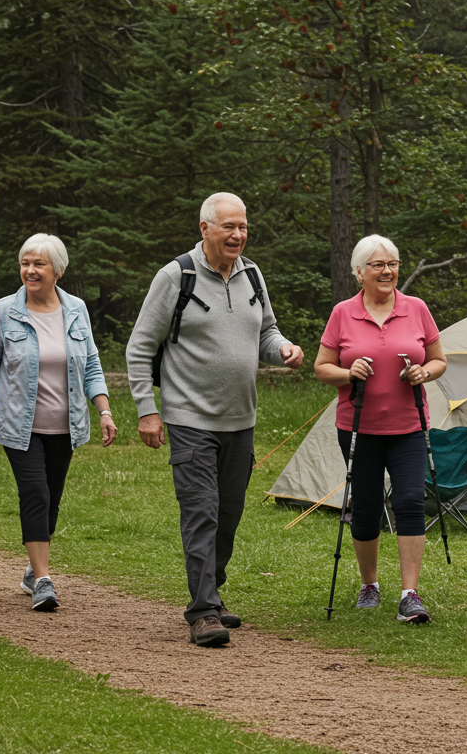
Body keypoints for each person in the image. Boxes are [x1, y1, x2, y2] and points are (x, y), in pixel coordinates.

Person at [125, 192, 304, 647]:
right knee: (201, 511)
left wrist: (283, 349)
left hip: (241, 419)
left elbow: (265, 331)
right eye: (229, 226)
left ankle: (213, 591)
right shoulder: (176, 276)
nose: (238, 234)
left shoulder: (252, 274)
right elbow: (140, 346)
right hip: (190, 418)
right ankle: (203, 610)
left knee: (228, 514)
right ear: (204, 228)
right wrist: (147, 410)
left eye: (242, 226)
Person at [0, 233, 118, 612]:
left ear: (58, 271)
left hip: (66, 426)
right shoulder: (6, 310)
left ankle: (34, 569)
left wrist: (104, 411)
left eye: (39, 264)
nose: (30, 271)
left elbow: (92, 366)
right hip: (19, 426)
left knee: (52, 499)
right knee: (36, 494)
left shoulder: (76, 309)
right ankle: (44, 580)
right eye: (25, 263)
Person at [313, 234, 446, 624]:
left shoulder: (416, 308)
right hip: (358, 426)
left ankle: (410, 594)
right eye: (378, 265)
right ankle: (369, 584)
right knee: (367, 506)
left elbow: (438, 360)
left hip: (409, 426)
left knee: (410, 501)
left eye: (392, 264)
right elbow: (322, 367)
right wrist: (347, 372)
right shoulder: (343, 313)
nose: (387, 271)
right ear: (359, 272)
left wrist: (424, 372)